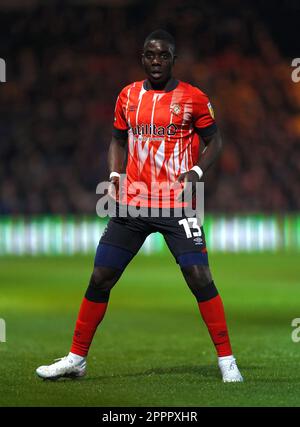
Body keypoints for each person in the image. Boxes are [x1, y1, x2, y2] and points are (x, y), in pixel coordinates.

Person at [36, 29, 243, 383]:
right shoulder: (127, 96)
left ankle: (227, 361)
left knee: (199, 276)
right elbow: (117, 139)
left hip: (177, 204)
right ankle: (76, 358)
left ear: (173, 59)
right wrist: (114, 175)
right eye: (150, 55)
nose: (156, 61)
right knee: (101, 276)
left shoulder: (192, 98)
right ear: (142, 57)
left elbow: (215, 140)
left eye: (163, 55)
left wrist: (195, 171)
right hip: (132, 204)